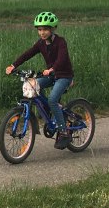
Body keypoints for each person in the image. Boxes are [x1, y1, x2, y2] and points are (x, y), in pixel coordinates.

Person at [5, 11, 75, 149]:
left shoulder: (61, 42)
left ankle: (64, 132)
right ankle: (52, 110)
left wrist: (52, 69)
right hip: (51, 75)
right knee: (33, 86)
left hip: (64, 75)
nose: (42, 33)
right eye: (40, 30)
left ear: (52, 29)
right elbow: (28, 54)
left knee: (52, 99)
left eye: (45, 29)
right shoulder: (41, 43)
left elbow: (62, 59)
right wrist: (13, 65)